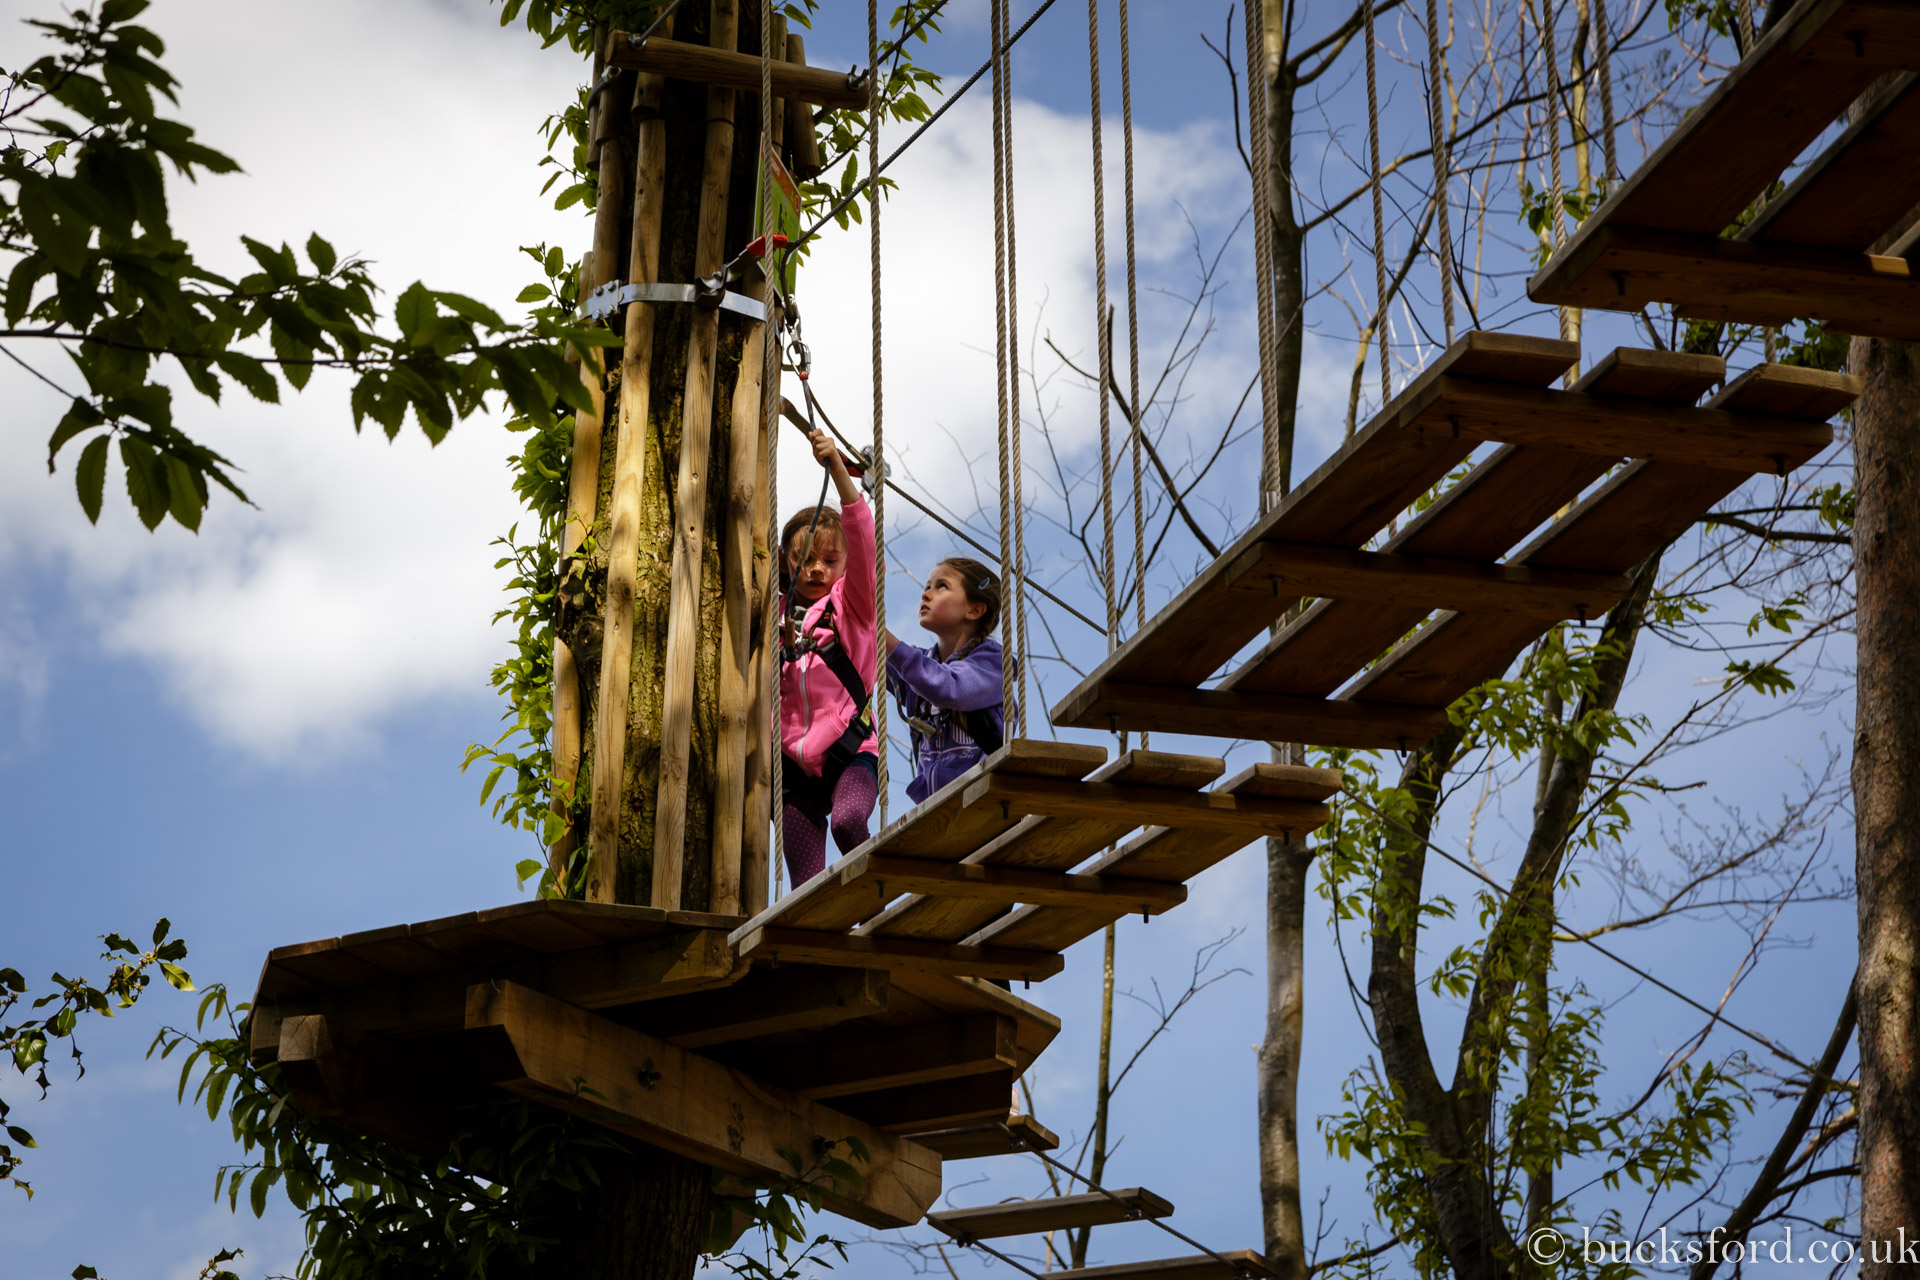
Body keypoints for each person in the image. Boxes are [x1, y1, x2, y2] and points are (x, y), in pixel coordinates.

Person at [776, 428, 880, 886]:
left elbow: (862, 536)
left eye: (830, 560)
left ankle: (876, 903)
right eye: (806, 560)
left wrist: (838, 469)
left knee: (848, 823)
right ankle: (822, 931)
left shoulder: (852, 606)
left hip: (850, 752)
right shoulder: (773, 614)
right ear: (787, 562)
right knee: (807, 882)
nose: (817, 569)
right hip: (793, 768)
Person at [884, 557, 1012, 804]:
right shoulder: (920, 667)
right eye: (927, 586)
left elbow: (950, 687)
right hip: (940, 806)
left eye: (941, 586)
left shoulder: (992, 663)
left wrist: (884, 638)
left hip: (986, 799)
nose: (926, 594)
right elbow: (865, 656)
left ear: (974, 610)